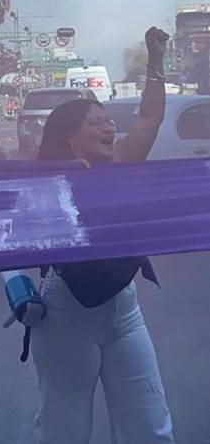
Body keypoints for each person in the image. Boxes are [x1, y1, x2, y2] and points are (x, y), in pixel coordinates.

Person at [31, 28, 174, 443]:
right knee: (65, 430)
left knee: (150, 424)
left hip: (123, 309)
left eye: (108, 121)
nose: (110, 128)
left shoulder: (123, 163)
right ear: (70, 136)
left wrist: (156, 63)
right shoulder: (45, 181)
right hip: (66, 314)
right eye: (97, 123)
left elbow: (150, 117)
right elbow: (10, 238)